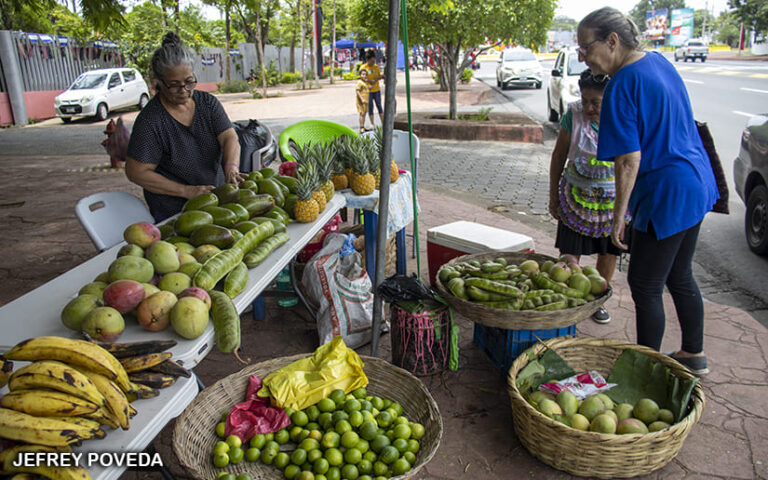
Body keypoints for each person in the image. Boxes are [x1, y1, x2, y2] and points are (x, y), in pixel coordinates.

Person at [578, 7, 719, 374]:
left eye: (586, 47)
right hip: (695, 180)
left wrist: (618, 217)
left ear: (612, 41)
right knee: (679, 274)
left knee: (644, 283)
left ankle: (644, 370)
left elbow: (628, 160)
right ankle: (693, 354)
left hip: (666, 191)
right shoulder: (658, 62)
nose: (582, 56)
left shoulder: (622, 83)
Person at [126, 32, 244, 222]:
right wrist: (187, 191)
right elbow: (136, 172)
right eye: (174, 85)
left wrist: (231, 167)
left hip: (215, 198)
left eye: (189, 82)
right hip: (174, 210)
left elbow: (229, 137)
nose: (184, 90)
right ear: (158, 83)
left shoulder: (207, 103)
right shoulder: (150, 121)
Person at [548, 69, 626, 325]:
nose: (589, 107)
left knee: (608, 252)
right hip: (575, 199)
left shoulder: (622, 116)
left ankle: (597, 302)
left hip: (611, 202)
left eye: (596, 102)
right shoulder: (573, 115)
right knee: (570, 253)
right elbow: (558, 156)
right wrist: (553, 195)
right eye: (585, 100)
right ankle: (566, 299)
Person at [359, 50, 383, 126]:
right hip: (368, 91)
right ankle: (372, 124)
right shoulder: (363, 67)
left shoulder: (376, 67)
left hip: (376, 90)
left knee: (379, 106)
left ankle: (383, 123)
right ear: (367, 60)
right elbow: (361, 79)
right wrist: (370, 81)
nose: (373, 63)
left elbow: (378, 76)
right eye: (371, 61)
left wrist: (377, 79)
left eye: (374, 61)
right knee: (370, 107)